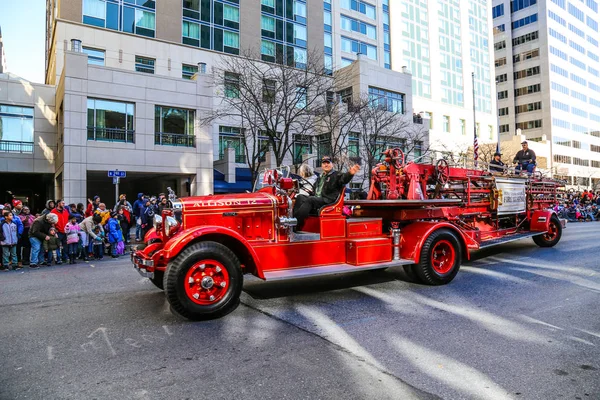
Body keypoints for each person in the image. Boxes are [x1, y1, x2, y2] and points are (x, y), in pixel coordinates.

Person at [293, 156, 360, 230]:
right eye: (324, 163)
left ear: (332, 165)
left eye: (328, 163)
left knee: (310, 200)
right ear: (322, 165)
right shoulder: (320, 177)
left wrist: (350, 173)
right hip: (319, 198)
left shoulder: (336, 175)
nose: (326, 165)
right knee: (300, 197)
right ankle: (294, 221)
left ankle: (297, 223)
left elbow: (344, 179)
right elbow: (316, 189)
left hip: (328, 200)